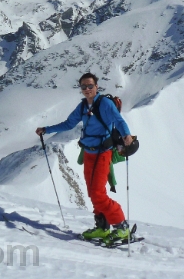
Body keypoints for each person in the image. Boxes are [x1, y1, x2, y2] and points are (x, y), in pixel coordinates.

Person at [36, 72, 135, 243]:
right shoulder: (82, 107)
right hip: (89, 153)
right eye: (84, 86)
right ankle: (102, 226)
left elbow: (119, 120)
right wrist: (46, 129)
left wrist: (127, 135)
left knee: (97, 192)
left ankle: (122, 227)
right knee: (93, 191)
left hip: (103, 153)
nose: (87, 89)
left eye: (90, 86)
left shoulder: (104, 104)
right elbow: (68, 124)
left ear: (97, 87)